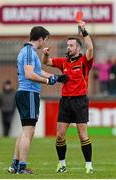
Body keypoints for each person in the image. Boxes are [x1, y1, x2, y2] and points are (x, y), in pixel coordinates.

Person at [8, 26, 65, 174]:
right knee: (29, 131)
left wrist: (56, 78)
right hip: (28, 93)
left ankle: (15, 165)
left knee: (25, 130)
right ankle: (22, 167)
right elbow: (29, 74)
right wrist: (47, 82)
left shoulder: (29, 52)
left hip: (26, 93)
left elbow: (37, 71)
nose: (45, 43)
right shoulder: (28, 51)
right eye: (45, 39)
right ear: (40, 38)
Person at [42, 20, 94, 174]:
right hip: (65, 101)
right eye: (67, 45)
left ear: (78, 48)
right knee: (59, 135)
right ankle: (62, 165)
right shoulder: (63, 62)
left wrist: (84, 30)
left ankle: (89, 166)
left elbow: (90, 47)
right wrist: (45, 54)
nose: (68, 47)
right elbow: (45, 62)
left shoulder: (85, 61)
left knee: (82, 134)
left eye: (70, 45)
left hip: (80, 101)